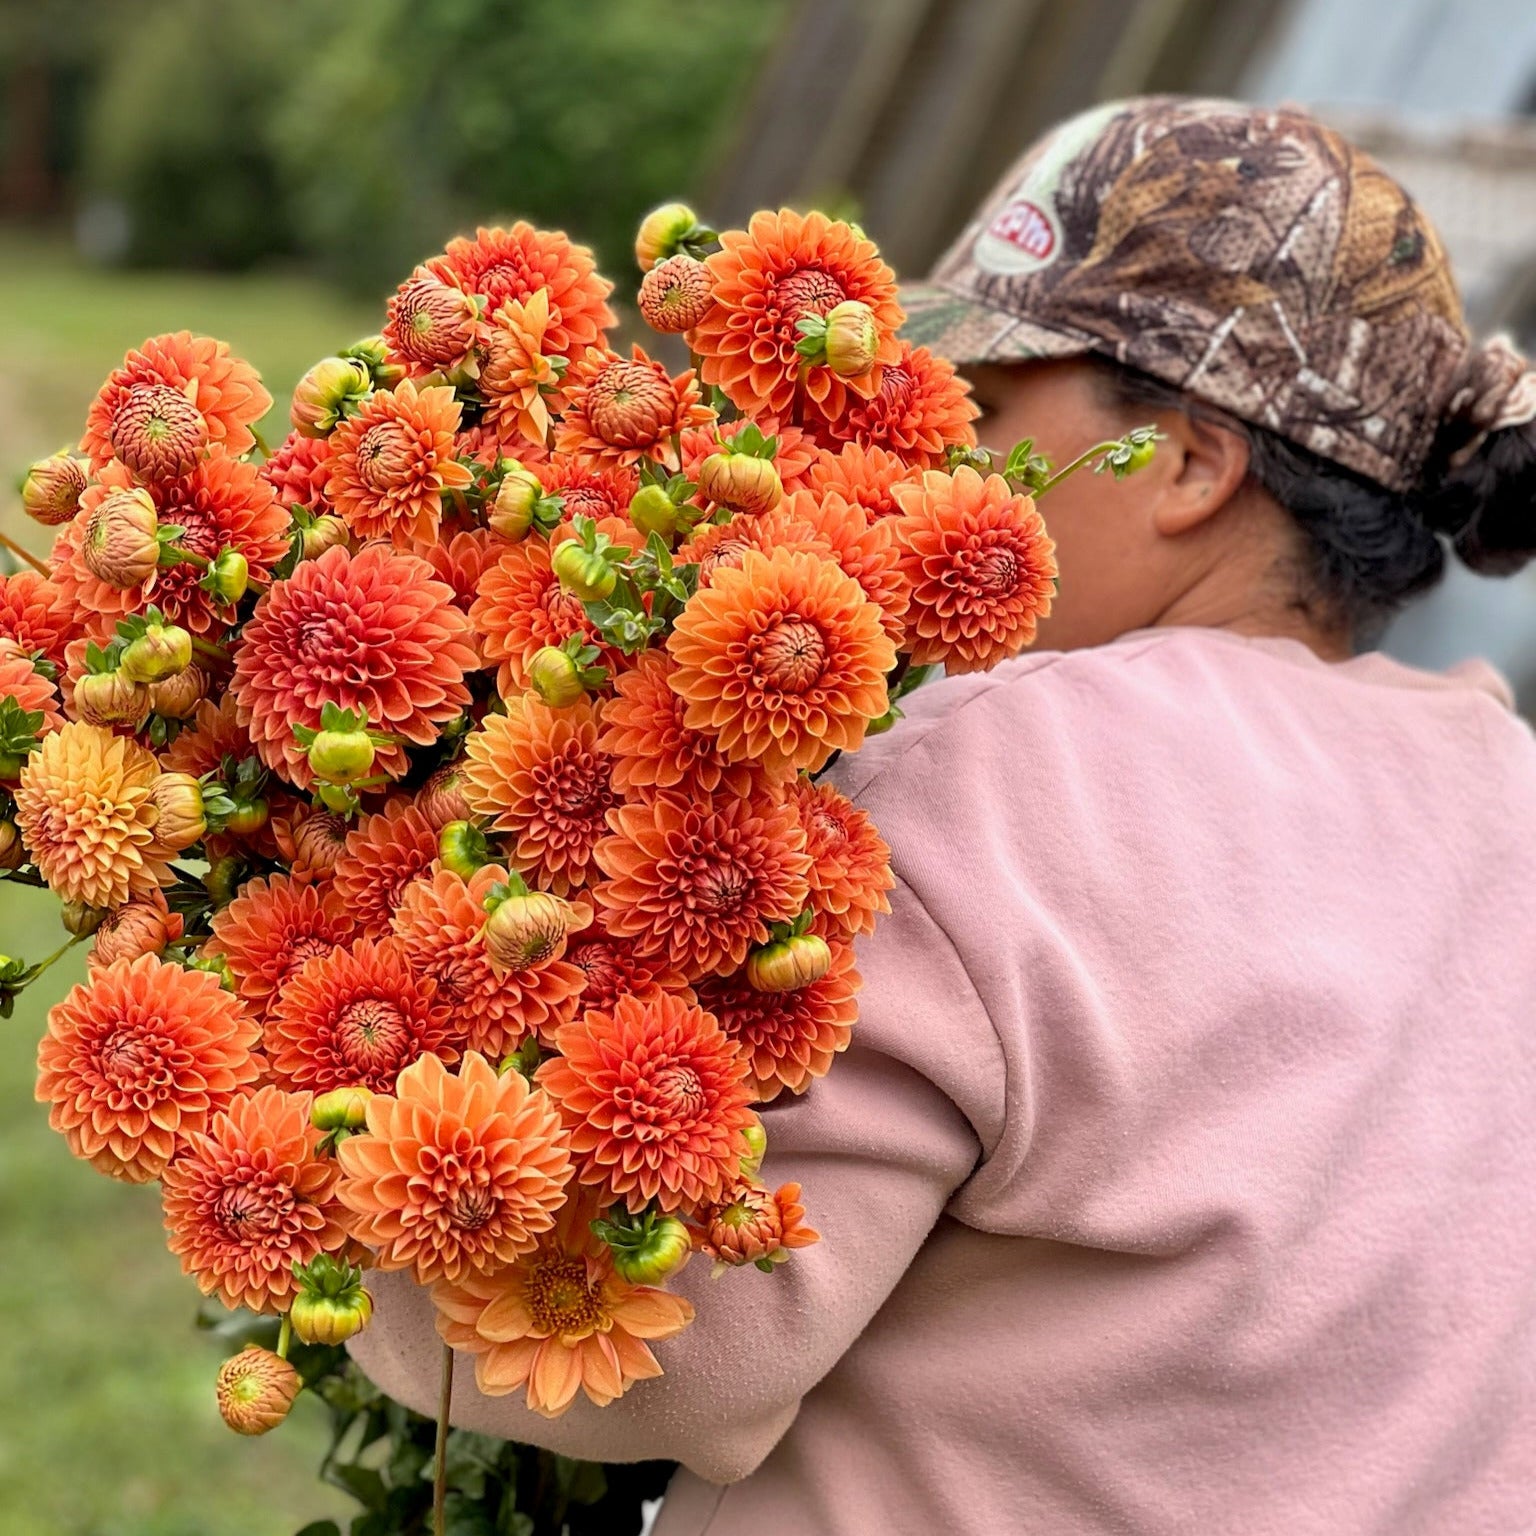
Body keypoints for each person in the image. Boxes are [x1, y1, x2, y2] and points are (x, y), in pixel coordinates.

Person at [351, 97, 1536, 1533]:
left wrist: (319, 1143)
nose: (931, 464)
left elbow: (663, 1366)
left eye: (989, 410)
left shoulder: (1010, 757)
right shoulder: (1502, 783)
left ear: (1187, 465)